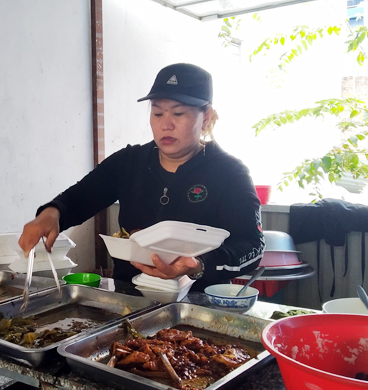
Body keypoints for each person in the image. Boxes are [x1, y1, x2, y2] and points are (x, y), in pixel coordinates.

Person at [18, 63, 264, 288]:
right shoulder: (129, 162)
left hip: (201, 306)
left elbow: (252, 247)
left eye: (178, 114)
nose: (165, 124)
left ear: (206, 116)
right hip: (130, 301)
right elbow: (78, 199)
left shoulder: (230, 173)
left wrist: (199, 264)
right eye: (157, 114)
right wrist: (52, 214)